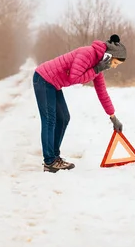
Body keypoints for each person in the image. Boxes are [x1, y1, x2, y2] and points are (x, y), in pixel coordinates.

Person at [33, 34, 126, 173]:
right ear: (108, 57)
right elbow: (75, 78)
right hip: (44, 79)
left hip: (53, 83)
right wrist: (96, 69)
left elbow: (102, 92)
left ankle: (54, 157)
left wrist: (113, 117)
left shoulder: (97, 66)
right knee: (50, 120)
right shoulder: (87, 53)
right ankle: (49, 161)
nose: (114, 67)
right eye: (115, 63)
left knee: (64, 118)